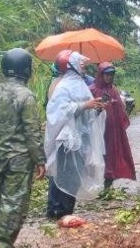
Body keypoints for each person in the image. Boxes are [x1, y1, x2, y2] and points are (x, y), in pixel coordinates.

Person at [0, 48, 45, 248]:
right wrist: (40, 160)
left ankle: (0, 240)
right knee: (14, 201)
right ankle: (2, 247)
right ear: (25, 70)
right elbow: (32, 131)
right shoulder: (25, 96)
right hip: (18, 157)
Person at [44, 50, 107, 219]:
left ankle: (67, 210)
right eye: (81, 63)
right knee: (63, 173)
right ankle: (56, 210)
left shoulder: (80, 85)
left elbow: (86, 113)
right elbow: (57, 111)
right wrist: (84, 105)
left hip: (80, 138)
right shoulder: (63, 86)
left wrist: (96, 109)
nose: (84, 66)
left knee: (74, 176)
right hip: (66, 140)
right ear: (70, 65)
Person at [89, 62, 136, 193]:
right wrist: (98, 108)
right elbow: (87, 111)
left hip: (112, 130)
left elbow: (121, 110)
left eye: (111, 74)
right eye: (107, 74)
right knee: (98, 155)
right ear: (101, 75)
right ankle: (96, 184)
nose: (109, 77)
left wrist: (114, 104)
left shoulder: (113, 90)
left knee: (111, 155)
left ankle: (107, 185)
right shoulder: (92, 90)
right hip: (97, 130)